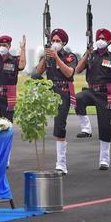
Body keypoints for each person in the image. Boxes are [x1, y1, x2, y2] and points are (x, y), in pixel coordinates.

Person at [74, 28, 111, 170]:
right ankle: (86, 128)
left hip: (105, 93)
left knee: (104, 126)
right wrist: (87, 53)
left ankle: (104, 159)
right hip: (91, 90)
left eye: (103, 39)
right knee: (78, 98)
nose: (100, 40)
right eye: (98, 38)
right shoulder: (90, 55)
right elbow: (78, 69)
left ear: (109, 41)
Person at [35, 28, 77, 175]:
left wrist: (57, 57)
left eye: (57, 41)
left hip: (63, 91)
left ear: (63, 42)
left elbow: (69, 73)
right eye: (53, 41)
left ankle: (61, 163)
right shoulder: (48, 56)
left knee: (59, 126)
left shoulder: (70, 56)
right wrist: (45, 58)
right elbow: (36, 73)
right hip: (49, 89)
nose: (54, 43)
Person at [0, 35, 26, 122]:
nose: (2, 47)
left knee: (6, 123)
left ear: (9, 46)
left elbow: (22, 65)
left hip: (8, 96)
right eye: (0, 45)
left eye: (5, 45)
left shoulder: (14, 60)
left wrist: (23, 49)